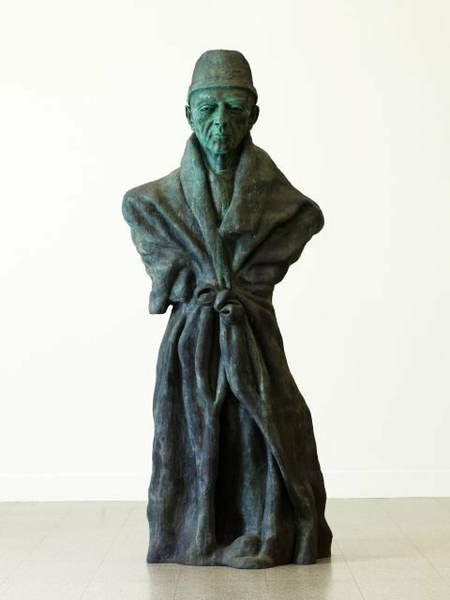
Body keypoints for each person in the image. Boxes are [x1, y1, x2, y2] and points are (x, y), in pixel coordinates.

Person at [122, 49, 332, 569]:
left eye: (235, 107)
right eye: (208, 107)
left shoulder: (287, 208)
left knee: (261, 432)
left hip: (253, 337)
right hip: (191, 345)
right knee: (194, 437)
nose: (221, 121)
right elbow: (165, 285)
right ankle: (193, 533)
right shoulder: (152, 205)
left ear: (254, 114)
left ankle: (265, 526)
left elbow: (289, 240)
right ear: (188, 113)